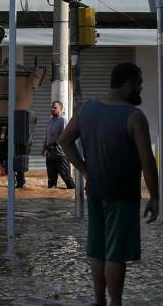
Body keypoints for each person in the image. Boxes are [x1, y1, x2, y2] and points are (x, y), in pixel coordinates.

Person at [59, 62, 159, 306]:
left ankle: (99, 301)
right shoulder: (134, 116)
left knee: (98, 249)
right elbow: (147, 161)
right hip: (122, 194)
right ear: (127, 84)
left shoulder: (87, 109)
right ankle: (115, 303)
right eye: (139, 85)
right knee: (116, 253)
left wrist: (84, 171)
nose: (141, 89)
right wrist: (155, 197)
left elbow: (65, 140)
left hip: (95, 191)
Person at [41, 100, 75, 189]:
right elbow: (47, 137)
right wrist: (43, 148)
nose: (52, 109)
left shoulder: (63, 120)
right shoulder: (50, 122)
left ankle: (71, 198)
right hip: (50, 156)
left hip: (60, 155)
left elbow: (65, 135)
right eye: (51, 107)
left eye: (55, 108)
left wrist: (55, 144)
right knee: (51, 184)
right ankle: (53, 200)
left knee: (67, 179)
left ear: (61, 109)